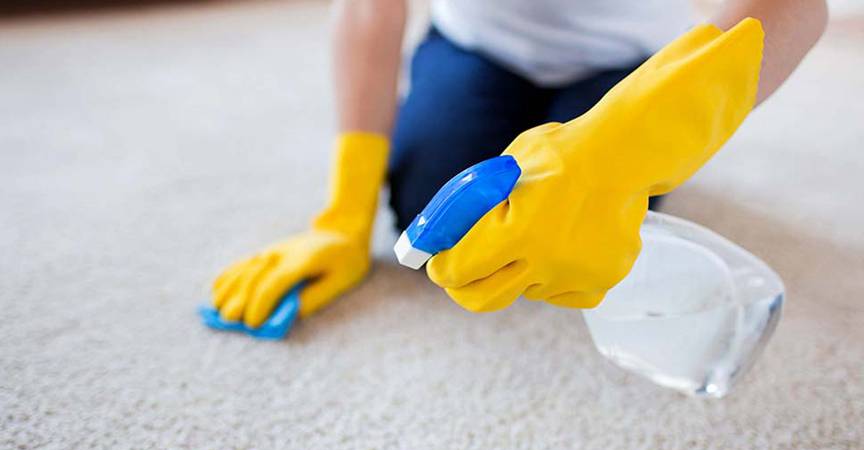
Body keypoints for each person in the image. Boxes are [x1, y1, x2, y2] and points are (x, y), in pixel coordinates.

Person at [210, 0, 827, 327]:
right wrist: (344, 213)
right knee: (430, 203)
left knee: (589, 218)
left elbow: (796, 5)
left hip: (628, 66)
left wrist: (616, 153)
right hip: (477, 49)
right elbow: (370, 6)